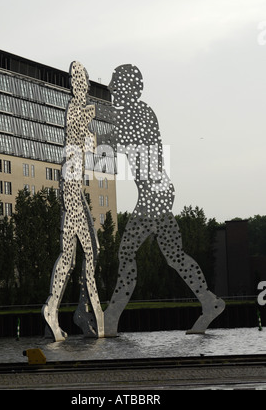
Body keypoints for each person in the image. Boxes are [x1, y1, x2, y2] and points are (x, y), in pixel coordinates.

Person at [103, 64, 225, 337]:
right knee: (174, 256)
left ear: (128, 88)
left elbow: (120, 139)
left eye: (114, 83)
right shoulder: (133, 113)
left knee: (126, 253)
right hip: (158, 192)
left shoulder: (141, 113)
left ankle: (111, 319)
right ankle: (209, 301)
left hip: (153, 194)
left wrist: (94, 131)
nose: (110, 87)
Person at [42, 61, 104, 341]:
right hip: (71, 187)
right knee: (87, 254)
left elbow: (87, 146)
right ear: (73, 84)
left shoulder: (79, 112)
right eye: (77, 79)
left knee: (75, 255)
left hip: (74, 188)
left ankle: (60, 312)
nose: (82, 84)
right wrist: (93, 117)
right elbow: (81, 135)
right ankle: (86, 313)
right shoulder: (75, 110)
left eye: (83, 79)